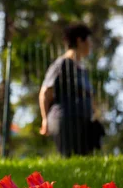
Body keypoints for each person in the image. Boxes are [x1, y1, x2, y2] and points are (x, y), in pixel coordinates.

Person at [39, 23, 103, 157]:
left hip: (84, 124)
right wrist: (45, 120)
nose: (90, 45)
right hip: (65, 123)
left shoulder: (83, 69)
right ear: (80, 40)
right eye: (89, 41)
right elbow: (45, 92)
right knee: (70, 160)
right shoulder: (62, 64)